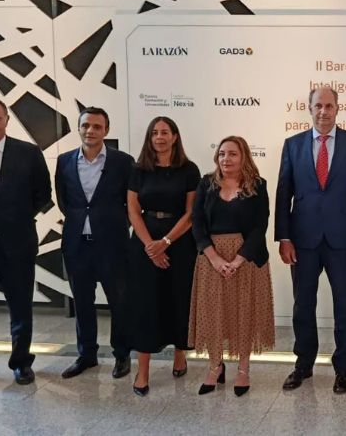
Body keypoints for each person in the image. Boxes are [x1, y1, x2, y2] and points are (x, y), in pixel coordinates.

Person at [275, 86, 346, 394]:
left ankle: (343, 369)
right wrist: (284, 237)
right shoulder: (292, 145)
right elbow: (283, 194)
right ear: (309, 108)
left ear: (337, 109)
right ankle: (303, 365)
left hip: (344, 241)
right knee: (303, 305)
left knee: (345, 305)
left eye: (329, 106)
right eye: (318, 105)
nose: (323, 111)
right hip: (303, 241)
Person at [189, 136, 274, 397]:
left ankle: (243, 370)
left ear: (244, 156)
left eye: (233, 154)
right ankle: (215, 367)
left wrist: (238, 260)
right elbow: (197, 222)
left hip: (246, 259)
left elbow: (260, 226)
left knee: (243, 315)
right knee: (214, 314)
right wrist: (214, 258)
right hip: (211, 259)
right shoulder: (206, 183)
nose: (226, 158)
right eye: (222, 154)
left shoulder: (258, 185)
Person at [55, 107, 134, 380]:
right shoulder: (64, 161)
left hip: (112, 244)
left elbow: (131, 202)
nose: (90, 131)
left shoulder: (123, 162)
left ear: (106, 130)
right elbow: (65, 201)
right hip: (77, 244)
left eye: (97, 126)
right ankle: (86, 355)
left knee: (119, 302)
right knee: (82, 302)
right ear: (79, 128)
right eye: (85, 125)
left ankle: (122, 354)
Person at [126, 116, 200, 396]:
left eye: (165, 132)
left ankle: (180, 355)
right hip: (145, 243)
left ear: (175, 137)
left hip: (179, 243)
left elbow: (191, 213)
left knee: (179, 300)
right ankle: (142, 372)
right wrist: (150, 246)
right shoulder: (138, 169)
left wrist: (166, 242)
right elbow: (133, 210)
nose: (159, 137)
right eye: (155, 132)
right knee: (145, 306)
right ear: (150, 137)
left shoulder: (189, 169)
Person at [0, 98, 51, 385]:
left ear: (6, 120)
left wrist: (16, 217)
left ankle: (21, 363)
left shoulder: (28, 152)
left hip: (17, 242)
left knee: (20, 306)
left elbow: (43, 193)